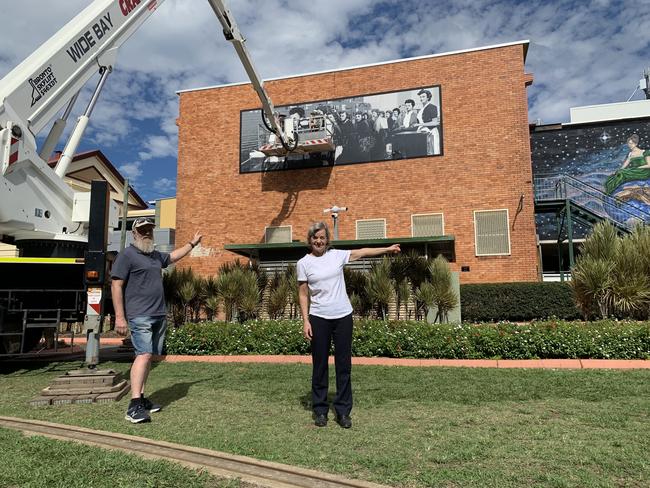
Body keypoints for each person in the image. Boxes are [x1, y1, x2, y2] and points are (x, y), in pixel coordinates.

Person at [297, 222, 400, 429]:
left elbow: (361, 252)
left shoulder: (336, 256)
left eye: (322, 238)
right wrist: (305, 320)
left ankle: (343, 411)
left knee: (344, 365)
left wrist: (387, 249)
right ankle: (320, 410)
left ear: (327, 240)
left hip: (343, 316)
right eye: (315, 238)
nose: (319, 241)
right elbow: (302, 293)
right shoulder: (303, 263)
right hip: (318, 317)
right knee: (320, 366)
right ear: (310, 240)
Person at [111, 217, 202, 423]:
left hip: (158, 314)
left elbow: (172, 257)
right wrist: (119, 317)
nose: (147, 233)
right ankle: (133, 407)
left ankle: (142, 399)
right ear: (134, 233)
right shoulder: (127, 255)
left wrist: (192, 244)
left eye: (150, 230)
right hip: (139, 314)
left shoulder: (153, 255)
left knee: (148, 356)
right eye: (142, 230)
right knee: (143, 355)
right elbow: (116, 285)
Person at [416, 89, 441, 155]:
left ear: (428, 97)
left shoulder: (432, 107)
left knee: (433, 153)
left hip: (431, 133)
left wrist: (419, 124)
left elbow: (435, 122)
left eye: (423, 96)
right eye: (420, 97)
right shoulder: (422, 109)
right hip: (423, 135)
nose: (421, 98)